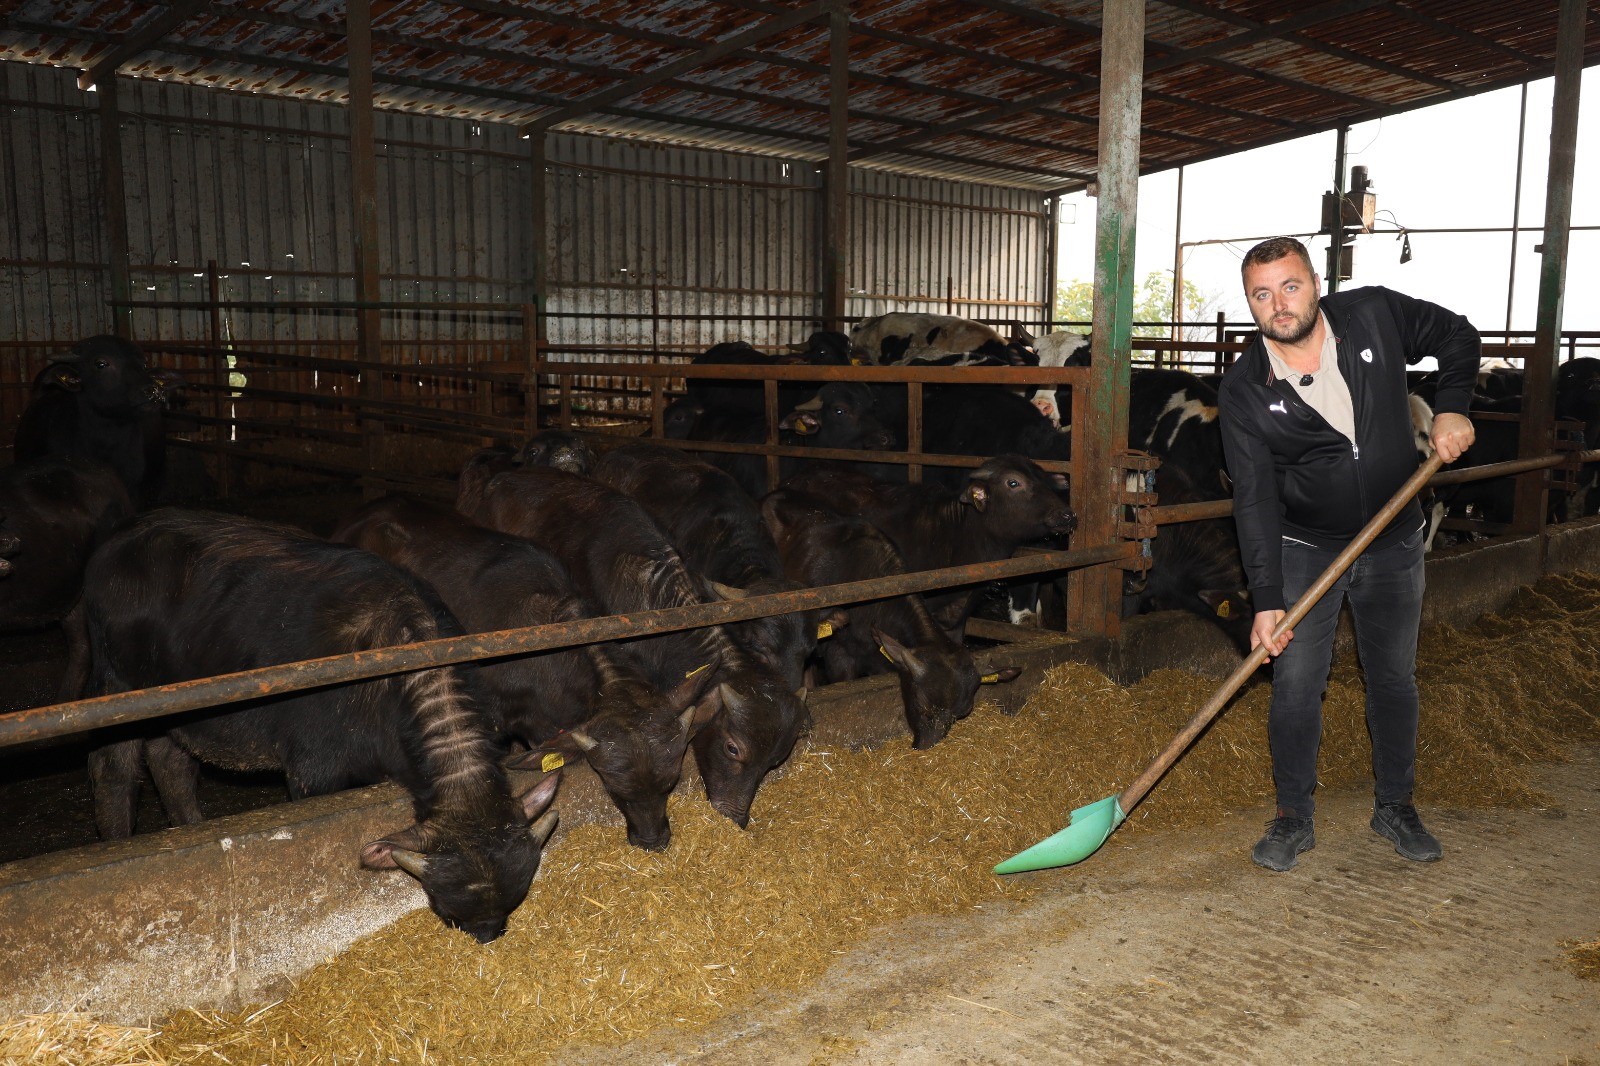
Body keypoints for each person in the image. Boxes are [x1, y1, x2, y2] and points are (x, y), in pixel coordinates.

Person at [1217, 236, 1478, 872]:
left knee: (1392, 677)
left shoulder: (1373, 315)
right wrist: (1266, 600)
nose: (1279, 304)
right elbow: (1254, 499)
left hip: (1394, 541)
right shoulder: (1245, 389)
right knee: (1297, 684)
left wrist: (1451, 408)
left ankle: (1395, 806)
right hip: (1305, 547)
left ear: (1315, 283)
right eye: (1261, 294)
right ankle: (1292, 817)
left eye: (1290, 286)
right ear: (1250, 303)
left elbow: (1458, 336)